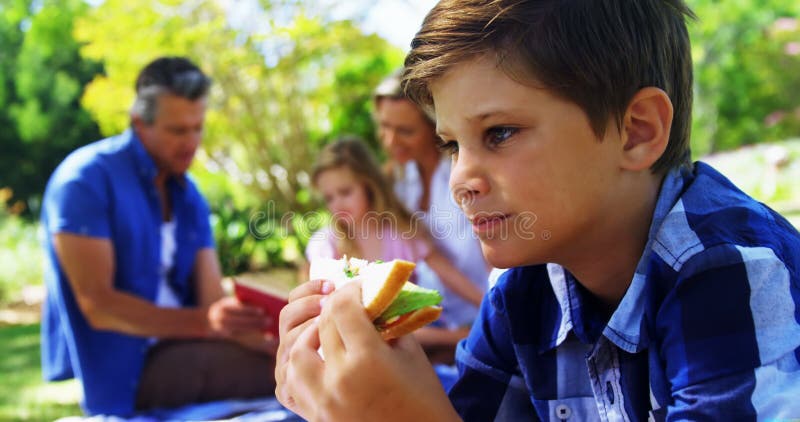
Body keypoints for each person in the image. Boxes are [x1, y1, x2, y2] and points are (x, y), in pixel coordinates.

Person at [275, 0, 800, 420]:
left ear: (637, 131)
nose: (461, 179)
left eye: (499, 133)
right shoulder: (521, 291)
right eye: (454, 145)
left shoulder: (725, 269)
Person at [40, 56, 276, 416]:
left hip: (189, 345)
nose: (191, 142)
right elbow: (99, 306)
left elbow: (212, 301)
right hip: (128, 369)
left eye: (198, 128)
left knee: (300, 362)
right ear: (139, 123)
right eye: (178, 131)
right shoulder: (84, 180)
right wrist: (208, 323)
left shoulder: (189, 195)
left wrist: (274, 340)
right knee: (295, 379)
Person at [374, 71, 492, 352]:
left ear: (434, 126)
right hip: (436, 317)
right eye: (384, 127)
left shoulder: (465, 176)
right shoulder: (399, 181)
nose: (390, 142)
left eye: (405, 131)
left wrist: (492, 313)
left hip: (482, 313)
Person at [304, 137, 484, 312]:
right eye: (329, 198)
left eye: (345, 192)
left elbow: (450, 276)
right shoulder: (326, 244)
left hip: (408, 331)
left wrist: (491, 305)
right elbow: (316, 303)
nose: (337, 204)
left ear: (369, 186)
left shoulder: (401, 233)